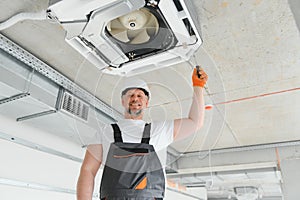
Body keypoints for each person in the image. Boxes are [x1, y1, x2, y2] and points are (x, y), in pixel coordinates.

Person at [76, 67, 208, 200]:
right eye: (130, 95)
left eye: (140, 95)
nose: (135, 99)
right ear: (123, 101)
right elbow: (88, 170)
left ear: (146, 103)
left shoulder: (157, 130)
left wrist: (198, 87)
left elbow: (195, 122)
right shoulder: (105, 131)